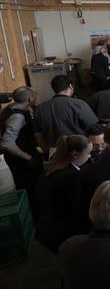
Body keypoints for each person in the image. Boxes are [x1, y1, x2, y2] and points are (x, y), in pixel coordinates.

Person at [36, 135, 92, 254]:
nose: (90, 156)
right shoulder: (72, 177)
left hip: (46, 227)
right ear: (75, 155)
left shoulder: (52, 167)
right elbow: (77, 208)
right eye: (88, 153)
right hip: (63, 234)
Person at [0, 86, 43, 214]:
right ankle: (35, 216)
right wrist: (27, 157)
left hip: (20, 157)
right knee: (31, 189)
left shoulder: (10, 108)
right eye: (35, 96)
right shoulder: (17, 117)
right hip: (22, 161)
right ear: (30, 99)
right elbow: (7, 144)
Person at [34, 75, 99, 153]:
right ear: (70, 86)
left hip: (54, 150)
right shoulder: (79, 104)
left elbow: (38, 135)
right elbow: (94, 128)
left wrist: (48, 151)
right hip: (79, 149)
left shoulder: (40, 109)